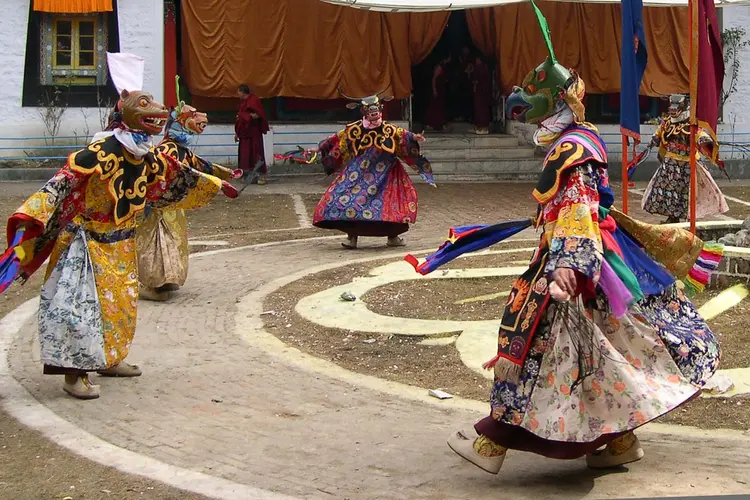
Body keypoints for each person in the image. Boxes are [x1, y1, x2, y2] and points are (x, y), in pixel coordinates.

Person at [407, 4, 724, 474]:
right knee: (599, 354)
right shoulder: (582, 136)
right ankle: (619, 443)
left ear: (556, 102)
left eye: (533, 97)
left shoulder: (572, 149)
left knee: (537, 349)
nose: (522, 103)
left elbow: (576, 210)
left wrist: (567, 268)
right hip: (595, 260)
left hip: (574, 266)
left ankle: (491, 445)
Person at [0, 53, 237, 400]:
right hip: (86, 245)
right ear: (126, 112)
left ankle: (109, 359)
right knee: (77, 309)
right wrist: (29, 222)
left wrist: (215, 182)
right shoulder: (98, 153)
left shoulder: (147, 154)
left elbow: (177, 171)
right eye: (145, 104)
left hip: (122, 244)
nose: (156, 109)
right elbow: (58, 187)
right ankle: (73, 373)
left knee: (119, 306)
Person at [138, 78, 240, 302]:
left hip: (171, 205)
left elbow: (201, 165)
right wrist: (218, 183)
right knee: (157, 244)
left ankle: (167, 279)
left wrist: (225, 173)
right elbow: (185, 172)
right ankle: (151, 284)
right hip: (157, 206)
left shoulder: (180, 148)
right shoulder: (167, 149)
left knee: (172, 243)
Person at [309, 90, 436, 249]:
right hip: (360, 172)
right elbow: (337, 138)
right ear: (363, 111)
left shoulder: (389, 129)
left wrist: (414, 138)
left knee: (391, 202)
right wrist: (319, 147)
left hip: (387, 172)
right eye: (369, 109)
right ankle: (352, 237)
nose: (373, 112)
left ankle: (393, 236)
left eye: (376, 108)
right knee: (349, 199)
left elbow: (403, 135)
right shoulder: (354, 129)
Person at [641, 94, 728, 223]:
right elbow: (660, 132)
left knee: (687, 192)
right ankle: (672, 217)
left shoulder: (691, 122)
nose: (673, 110)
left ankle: (688, 217)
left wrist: (704, 140)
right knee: (667, 191)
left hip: (688, 163)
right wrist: (654, 139)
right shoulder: (668, 121)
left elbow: (699, 134)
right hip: (670, 163)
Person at [235, 84, 269, 185]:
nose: (238, 94)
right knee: (245, 155)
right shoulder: (243, 102)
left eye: (238, 92)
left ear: (242, 91)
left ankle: (259, 176)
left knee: (256, 153)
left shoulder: (253, 100)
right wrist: (237, 133)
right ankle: (247, 176)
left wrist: (245, 116)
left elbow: (259, 114)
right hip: (244, 134)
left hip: (253, 133)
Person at [424, 56, 450, 132]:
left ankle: (439, 124)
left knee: (440, 107)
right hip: (437, 89)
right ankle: (430, 123)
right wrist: (434, 90)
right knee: (435, 107)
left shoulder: (444, 67)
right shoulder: (439, 67)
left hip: (441, 89)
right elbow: (434, 78)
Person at [471, 54, 492, 135]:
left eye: (477, 60)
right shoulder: (486, 67)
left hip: (480, 91)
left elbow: (476, 80)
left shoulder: (480, 68)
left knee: (480, 109)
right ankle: (483, 127)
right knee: (483, 109)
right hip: (484, 91)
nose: (476, 61)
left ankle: (481, 127)